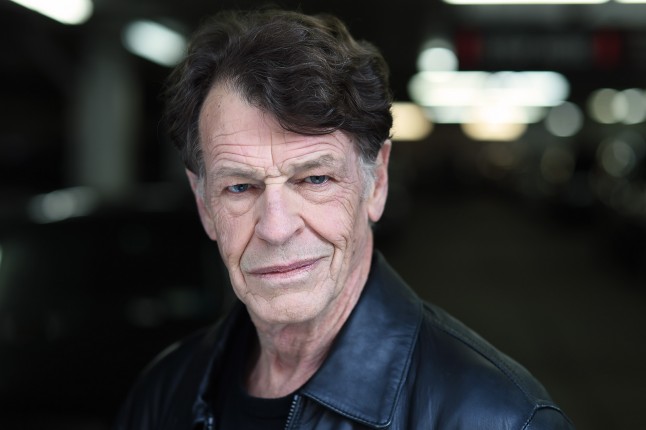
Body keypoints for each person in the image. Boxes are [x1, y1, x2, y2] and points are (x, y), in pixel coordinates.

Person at [115, 9, 575, 430]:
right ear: (203, 203)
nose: (276, 228)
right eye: (240, 187)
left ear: (377, 183)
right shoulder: (164, 394)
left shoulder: (499, 418)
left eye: (315, 179)